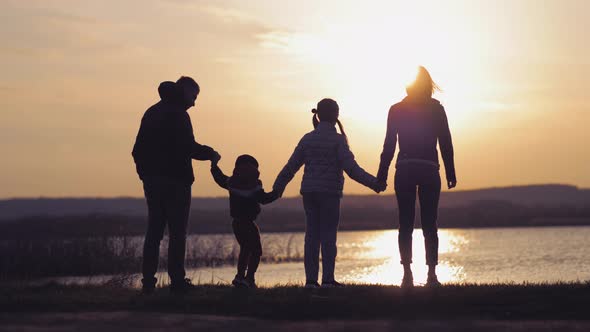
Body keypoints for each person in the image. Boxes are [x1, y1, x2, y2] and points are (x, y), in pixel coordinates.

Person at [273, 98, 386, 289]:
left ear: (318, 114)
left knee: (311, 236)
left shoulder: (307, 139)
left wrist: (277, 188)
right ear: (336, 115)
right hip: (329, 193)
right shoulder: (338, 140)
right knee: (328, 236)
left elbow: (290, 167)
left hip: (309, 192)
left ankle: (310, 281)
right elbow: (351, 169)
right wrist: (374, 183)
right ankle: (327, 280)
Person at [132, 76, 221, 294]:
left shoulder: (152, 112)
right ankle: (177, 281)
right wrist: (211, 154)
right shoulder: (179, 115)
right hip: (176, 182)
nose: (194, 102)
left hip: (153, 182)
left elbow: (137, 150)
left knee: (154, 232)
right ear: (184, 93)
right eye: (193, 96)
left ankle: (148, 282)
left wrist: (146, 175)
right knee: (177, 233)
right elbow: (188, 147)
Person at [376, 66, 457, 288]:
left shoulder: (396, 109)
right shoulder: (437, 110)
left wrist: (382, 174)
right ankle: (431, 275)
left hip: (405, 170)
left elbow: (389, 145)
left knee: (405, 223)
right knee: (430, 223)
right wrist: (450, 171)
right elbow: (446, 142)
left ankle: (407, 274)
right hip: (430, 169)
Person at [210, 154, 279, 288]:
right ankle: (249, 278)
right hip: (248, 222)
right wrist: (276, 193)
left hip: (236, 223)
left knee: (246, 248)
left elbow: (219, 178)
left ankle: (240, 277)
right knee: (256, 251)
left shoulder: (231, 182)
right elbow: (264, 199)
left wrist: (214, 166)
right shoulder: (254, 185)